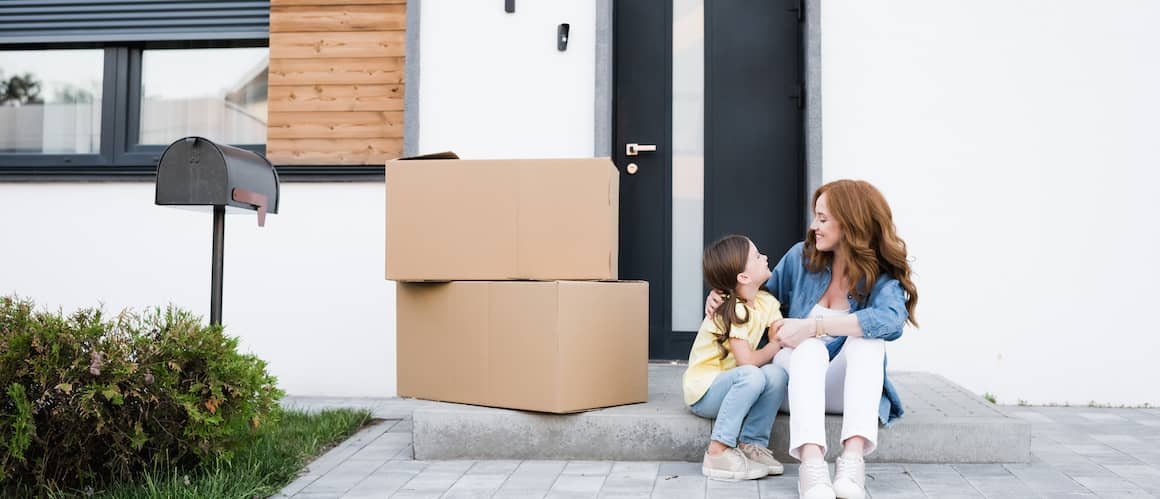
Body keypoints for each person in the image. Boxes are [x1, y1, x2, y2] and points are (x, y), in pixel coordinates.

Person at [705, 180, 918, 499]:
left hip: (844, 390)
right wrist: (723, 296)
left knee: (869, 342)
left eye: (822, 218)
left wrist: (814, 326)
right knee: (809, 350)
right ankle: (812, 465)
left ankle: (852, 461)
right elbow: (756, 297)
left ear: (850, 223)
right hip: (793, 383)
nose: (813, 226)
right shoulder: (801, 258)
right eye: (815, 216)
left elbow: (891, 321)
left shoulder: (879, 274)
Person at [683, 235, 789, 481]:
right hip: (705, 393)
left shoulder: (766, 303)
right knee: (752, 373)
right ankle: (718, 451)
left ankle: (752, 444)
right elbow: (747, 361)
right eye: (756, 255)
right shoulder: (732, 309)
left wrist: (780, 337)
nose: (764, 257)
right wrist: (775, 344)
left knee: (776, 374)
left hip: (737, 387)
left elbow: (779, 332)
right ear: (743, 277)